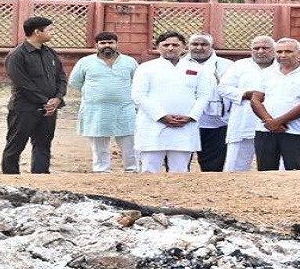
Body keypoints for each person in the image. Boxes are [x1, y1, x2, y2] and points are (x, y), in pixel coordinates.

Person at [131, 31, 215, 173]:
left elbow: (204, 95)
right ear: (158, 47)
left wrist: (191, 116)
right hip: (153, 126)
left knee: (180, 171)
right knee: (149, 171)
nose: (170, 48)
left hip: (184, 126)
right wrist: (161, 116)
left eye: (175, 45)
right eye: (166, 45)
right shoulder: (146, 68)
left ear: (184, 47)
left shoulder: (196, 69)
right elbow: (138, 95)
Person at [2, 17, 67, 174]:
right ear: (37, 32)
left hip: (49, 110)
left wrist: (57, 98)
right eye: (49, 29)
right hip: (24, 109)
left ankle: (41, 179)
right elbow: (23, 84)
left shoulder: (50, 53)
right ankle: (11, 181)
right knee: (15, 146)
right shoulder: (17, 55)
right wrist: (46, 102)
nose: (53, 32)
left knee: (43, 145)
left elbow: (61, 77)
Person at [68, 31, 138, 173]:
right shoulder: (85, 62)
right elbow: (75, 83)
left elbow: (137, 82)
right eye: (103, 43)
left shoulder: (129, 62)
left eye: (111, 42)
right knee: (99, 143)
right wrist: (96, 93)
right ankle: (101, 170)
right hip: (96, 109)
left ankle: (132, 169)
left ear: (117, 44)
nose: (107, 46)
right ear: (97, 45)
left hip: (124, 108)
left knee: (129, 141)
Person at [250, 38, 300, 171]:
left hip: (296, 131)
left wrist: (278, 122)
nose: (283, 55)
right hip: (265, 130)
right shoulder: (266, 73)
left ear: (299, 53)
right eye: (279, 52)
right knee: (265, 172)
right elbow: (255, 100)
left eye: (288, 51)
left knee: (297, 172)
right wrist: (268, 121)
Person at [219, 37, 277, 172]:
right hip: (243, 119)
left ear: (274, 50)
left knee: (274, 165)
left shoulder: (281, 66)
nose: (260, 51)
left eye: (265, 48)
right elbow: (223, 88)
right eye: (256, 48)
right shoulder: (240, 65)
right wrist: (245, 94)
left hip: (273, 121)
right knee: (235, 166)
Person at [181, 33, 232, 172]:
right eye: (195, 44)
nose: (199, 47)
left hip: (217, 123)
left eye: (204, 44)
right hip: (184, 121)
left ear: (211, 46)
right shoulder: (178, 64)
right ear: (188, 46)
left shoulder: (226, 65)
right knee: (179, 163)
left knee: (213, 166)